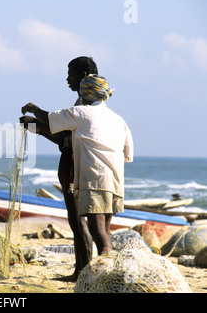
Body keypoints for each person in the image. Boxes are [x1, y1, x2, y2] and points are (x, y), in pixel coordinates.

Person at [21, 74, 133, 259]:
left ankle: (107, 267)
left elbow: (49, 119)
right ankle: (104, 267)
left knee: (97, 232)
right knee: (104, 230)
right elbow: (128, 153)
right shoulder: (119, 120)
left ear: (85, 94)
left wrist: (33, 109)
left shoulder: (81, 113)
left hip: (95, 178)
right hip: (116, 181)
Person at [20, 56, 97, 281]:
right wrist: (37, 128)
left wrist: (35, 110)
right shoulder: (85, 103)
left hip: (75, 166)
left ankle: (84, 273)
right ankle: (80, 270)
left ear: (82, 76)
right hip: (72, 163)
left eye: (70, 74)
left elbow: (61, 129)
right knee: (76, 221)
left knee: (78, 220)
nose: (67, 79)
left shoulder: (85, 106)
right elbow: (63, 137)